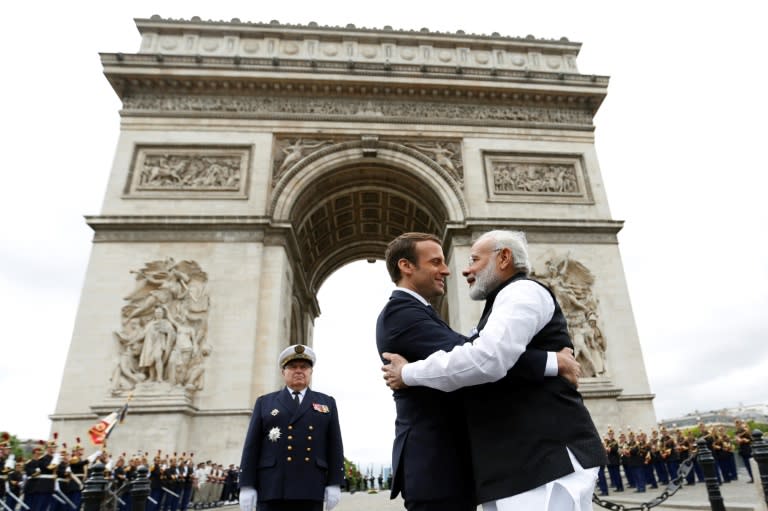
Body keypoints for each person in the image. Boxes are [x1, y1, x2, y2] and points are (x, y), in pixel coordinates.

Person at [382, 229, 606, 511]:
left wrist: (407, 374)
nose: (462, 270)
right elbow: (480, 352)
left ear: (504, 258)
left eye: (475, 259)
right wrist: (551, 361)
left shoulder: (521, 291)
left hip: (543, 459)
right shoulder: (406, 312)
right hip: (521, 462)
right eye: (436, 262)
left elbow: (487, 357)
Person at [239, 344, 344, 511]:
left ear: (311, 372)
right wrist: (246, 484)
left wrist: (335, 482)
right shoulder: (265, 402)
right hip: (272, 487)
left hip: (310, 487)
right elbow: (252, 446)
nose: (299, 371)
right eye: (293, 367)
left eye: (304, 367)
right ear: (283, 372)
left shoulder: (326, 402)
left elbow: (334, 445)